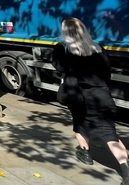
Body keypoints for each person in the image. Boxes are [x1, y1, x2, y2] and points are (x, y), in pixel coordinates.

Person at [53, 17, 129, 184]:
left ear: (64, 31)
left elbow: (59, 67)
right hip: (102, 95)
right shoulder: (97, 48)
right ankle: (125, 169)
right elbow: (107, 73)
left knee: (79, 124)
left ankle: (85, 154)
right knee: (110, 135)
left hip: (78, 95)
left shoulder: (62, 49)